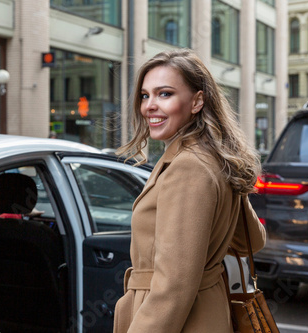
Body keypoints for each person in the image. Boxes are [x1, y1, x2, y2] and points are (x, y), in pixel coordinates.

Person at [113, 49, 267, 333]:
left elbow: (173, 288)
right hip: (208, 311)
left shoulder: (188, 167)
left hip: (180, 321)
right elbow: (251, 241)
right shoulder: (215, 160)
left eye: (165, 94)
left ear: (197, 101)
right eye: (145, 95)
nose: (149, 105)